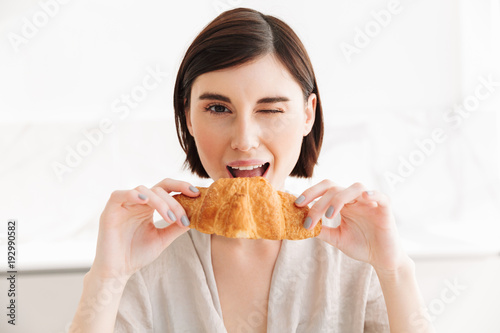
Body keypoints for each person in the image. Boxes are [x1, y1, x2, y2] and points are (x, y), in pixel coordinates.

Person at [70, 7, 434, 333]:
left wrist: (394, 270)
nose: (244, 140)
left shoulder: (354, 258)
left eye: (271, 110)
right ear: (188, 117)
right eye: (217, 108)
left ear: (307, 114)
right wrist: (108, 277)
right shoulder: (146, 261)